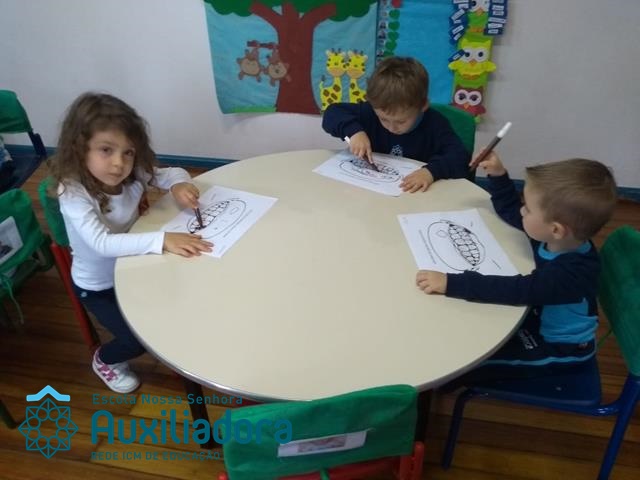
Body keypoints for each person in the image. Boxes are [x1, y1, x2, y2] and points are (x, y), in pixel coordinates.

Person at [49, 92, 213, 393]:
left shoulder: (133, 173)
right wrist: (163, 239)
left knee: (177, 302)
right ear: (79, 148)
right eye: (106, 150)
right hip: (98, 287)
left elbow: (171, 173)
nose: (119, 163)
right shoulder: (71, 192)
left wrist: (180, 185)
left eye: (128, 152)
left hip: (133, 266)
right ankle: (104, 360)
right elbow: (101, 244)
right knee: (135, 340)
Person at [416, 153, 617, 383]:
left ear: (556, 229)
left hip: (558, 347)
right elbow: (512, 212)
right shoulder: (556, 239)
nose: (522, 211)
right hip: (535, 313)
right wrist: (498, 176)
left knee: (460, 366)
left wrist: (451, 282)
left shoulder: (570, 274)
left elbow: (514, 290)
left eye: (528, 209)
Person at [322, 56, 469, 193]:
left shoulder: (435, 124)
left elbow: (460, 157)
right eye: (383, 119)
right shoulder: (369, 112)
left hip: (415, 196)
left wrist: (430, 172)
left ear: (423, 105)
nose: (391, 128)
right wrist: (354, 132)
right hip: (372, 191)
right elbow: (332, 113)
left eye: (401, 121)